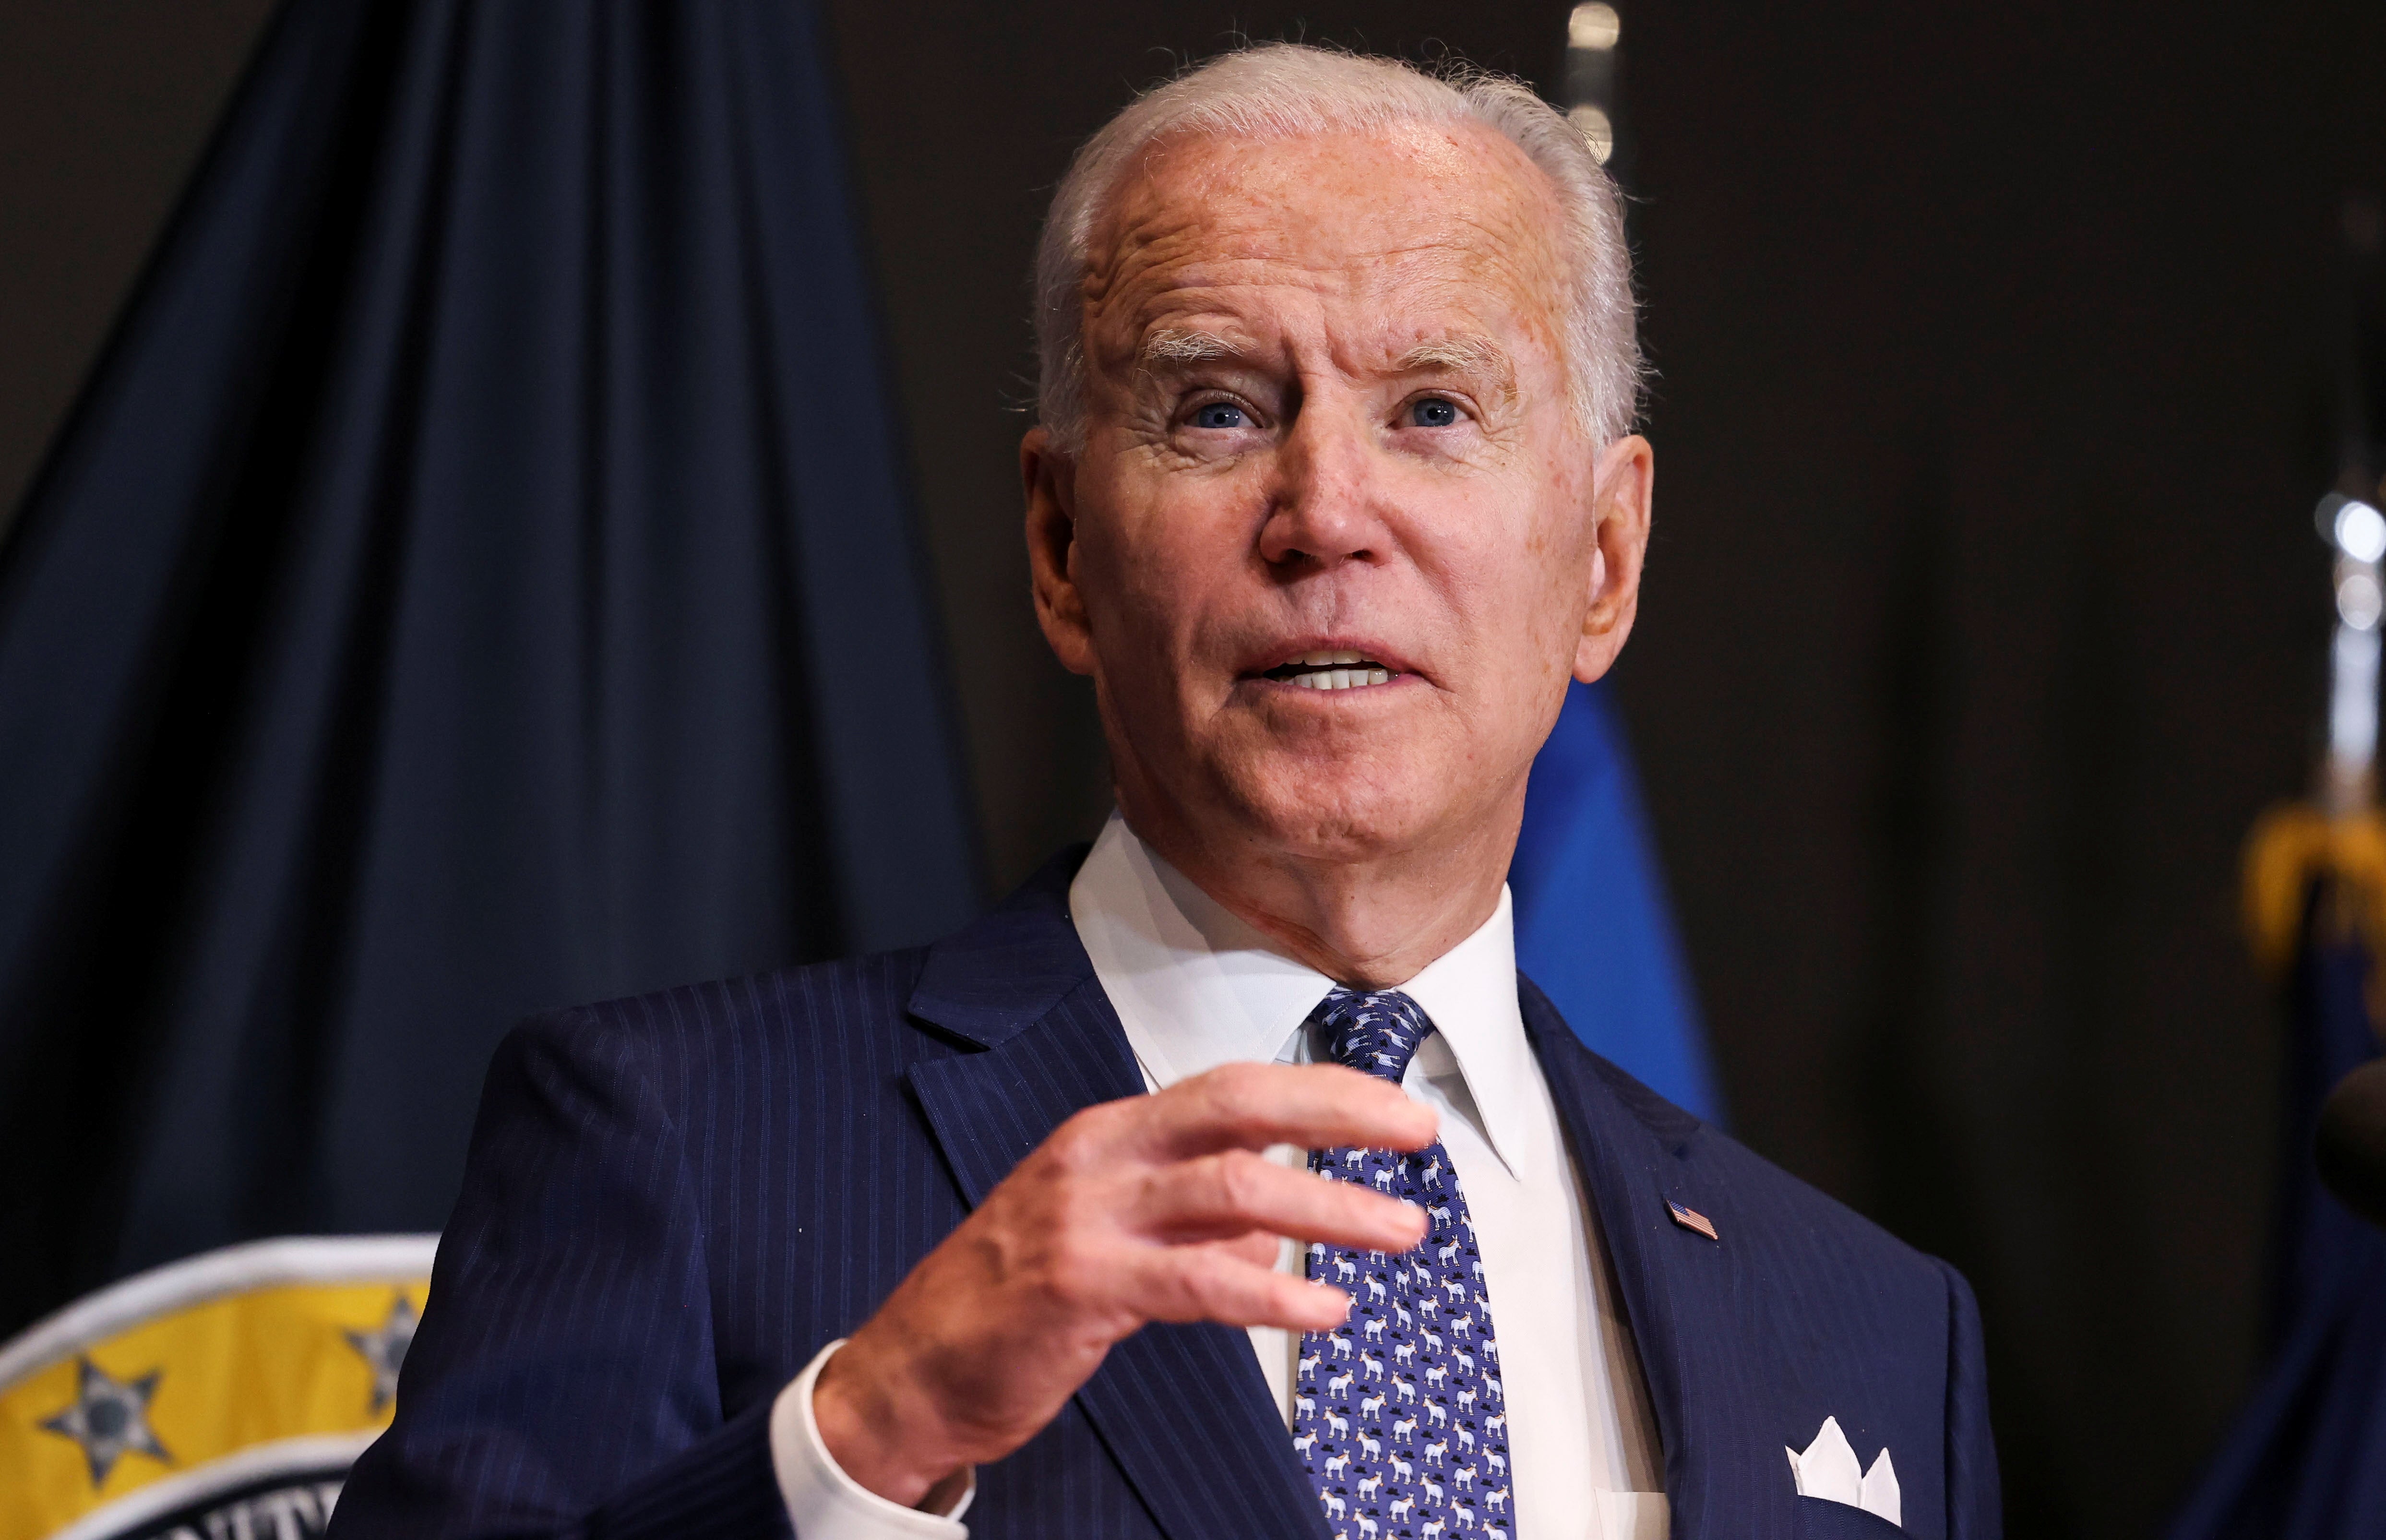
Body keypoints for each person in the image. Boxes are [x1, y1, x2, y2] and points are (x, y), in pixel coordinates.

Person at [329, 44, 1997, 1540]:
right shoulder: (679, 1143)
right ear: (1060, 547)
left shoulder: (1863, 1323)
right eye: (1215, 408)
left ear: (1605, 558)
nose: (1324, 511)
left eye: (1431, 410)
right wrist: (861, 1436)